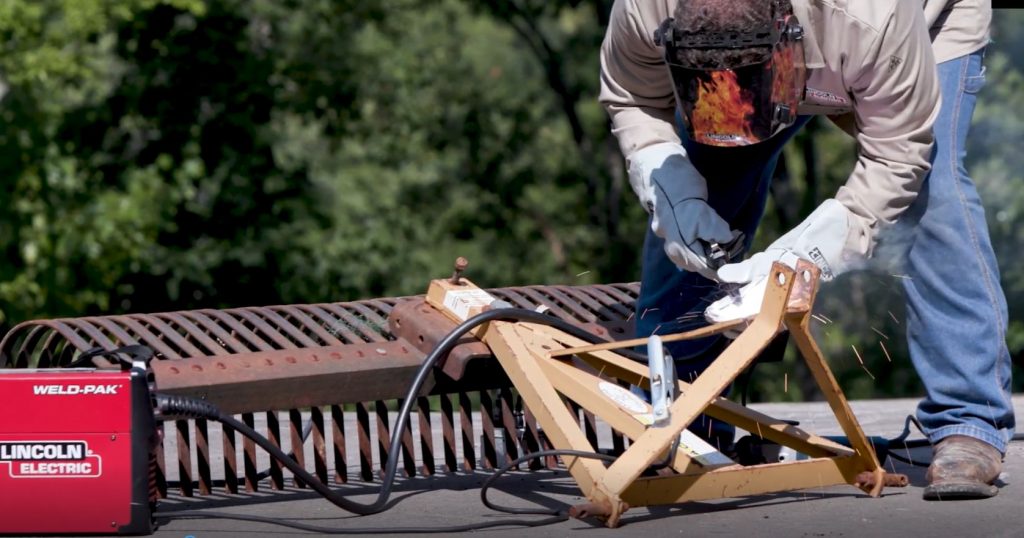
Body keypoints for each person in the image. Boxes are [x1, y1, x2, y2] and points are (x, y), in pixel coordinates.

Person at [599, 0, 1013, 499]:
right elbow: (633, 97)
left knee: (931, 192)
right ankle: (681, 417)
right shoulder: (646, 9)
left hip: (917, 27)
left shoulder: (872, 21)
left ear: (786, 40)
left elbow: (900, 155)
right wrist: (669, 190)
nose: (732, 105)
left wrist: (814, 253)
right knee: (712, 167)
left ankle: (968, 422)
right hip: (800, 50)